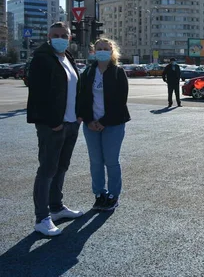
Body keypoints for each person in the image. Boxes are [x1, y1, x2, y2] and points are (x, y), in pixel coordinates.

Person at [27, 22, 83, 236]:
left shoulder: (67, 57)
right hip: (53, 125)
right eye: (56, 35)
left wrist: (77, 116)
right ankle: (42, 218)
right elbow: (38, 95)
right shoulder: (42, 58)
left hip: (70, 123)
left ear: (69, 38)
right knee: (47, 170)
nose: (60, 38)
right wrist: (53, 122)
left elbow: (73, 89)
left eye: (64, 35)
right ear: (49, 36)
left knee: (61, 167)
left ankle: (56, 207)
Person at [77, 38, 130, 212]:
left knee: (111, 161)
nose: (102, 51)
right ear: (94, 51)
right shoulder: (88, 72)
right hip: (91, 125)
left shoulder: (118, 72)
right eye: (98, 48)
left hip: (113, 124)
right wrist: (88, 119)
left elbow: (120, 102)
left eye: (105, 48)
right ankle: (99, 194)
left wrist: (103, 122)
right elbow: (82, 98)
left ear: (112, 51)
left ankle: (113, 195)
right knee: (96, 162)